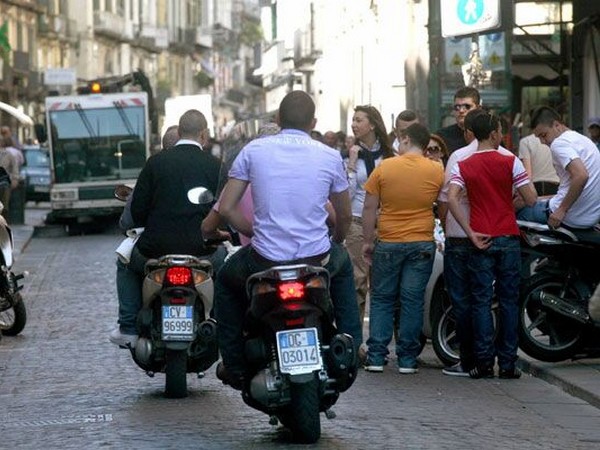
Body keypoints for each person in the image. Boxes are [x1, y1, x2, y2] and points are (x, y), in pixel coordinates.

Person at [213, 91, 362, 388]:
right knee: (344, 269)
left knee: (226, 282)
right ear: (314, 122)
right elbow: (344, 216)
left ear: (278, 120)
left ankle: (234, 365)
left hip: (265, 259)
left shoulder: (254, 151)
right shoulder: (330, 156)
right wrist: (337, 239)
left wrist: (255, 232)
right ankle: (351, 348)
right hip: (316, 258)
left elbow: (227, 208)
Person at [109, 111, 222, 347]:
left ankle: (128, 327)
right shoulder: (215, 166)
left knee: (125, 262)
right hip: (203, 250)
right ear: (204, 135)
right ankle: (223, 323)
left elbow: (137, 212)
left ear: (179, 132)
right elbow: (223, 209)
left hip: (155, 250)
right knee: (227, 270)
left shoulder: (155, 163)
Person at [447, 111, 537, 379]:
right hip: (508, 236)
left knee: (481, 302)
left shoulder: (463, 164)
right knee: (510, 302)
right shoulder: (510, 161)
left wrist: (470, 231)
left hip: (480, 238)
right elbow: (530, 198)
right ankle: (508, 363)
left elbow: (452, 199)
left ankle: (483, 362)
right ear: (495, 133)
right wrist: (508, 203)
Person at [362, 123, 443, 374]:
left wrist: (367, 241)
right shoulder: (436, 169)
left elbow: (368, 207)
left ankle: (376, 356)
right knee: (412, 299)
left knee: (383, 298)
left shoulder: (385, 167)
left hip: (389, 240)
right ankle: (407, 358)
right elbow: (444, 204)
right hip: (421, 241)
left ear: (406, 140)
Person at [437, 108, 504, 377]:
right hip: (489, 234)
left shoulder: (458, 157)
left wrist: (445, 226)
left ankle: (469, 360)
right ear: (494, 131)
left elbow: (445, 200)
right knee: (485, 299)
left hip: (459, 236)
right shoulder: (505, 157)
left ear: (469, 131)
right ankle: (491, 359)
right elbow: (520, 196)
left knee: (462, 301)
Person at [345, 105, 395, 325]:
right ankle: (355, 343)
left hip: (385, 223)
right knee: (358, 282)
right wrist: (353, 164)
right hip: (356, 223)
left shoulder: (389, 155)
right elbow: (346, 195)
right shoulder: (348, 156)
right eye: (353, 120)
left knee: (385, 285)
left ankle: (382, 340)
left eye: (358, 120)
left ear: (372, 124)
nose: (354, 125)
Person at [517, 106, 600, 229]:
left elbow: (581, 175)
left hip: (571, 217)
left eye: (543, 135)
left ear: (557, 125)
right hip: (591, 216)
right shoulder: (583, 139)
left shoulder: (558, 143)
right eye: (538, 137)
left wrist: (561, 210)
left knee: (518, 215)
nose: (542, 142)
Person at [436, 86, 482, 154]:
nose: (461, 110)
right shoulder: (441, 138)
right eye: (457, 107)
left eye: (467, 106)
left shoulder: (489, 136)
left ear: (478, 109)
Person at [518, 132, 559, 196]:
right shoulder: (555, 139)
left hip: (536, 187)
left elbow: (528, 174)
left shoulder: (526, 141)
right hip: (556, 185)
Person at [0, 137, 19, 221]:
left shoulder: (8, 154)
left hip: (4, 183)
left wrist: (15, 178)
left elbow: (15, 167)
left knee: (4, 205)